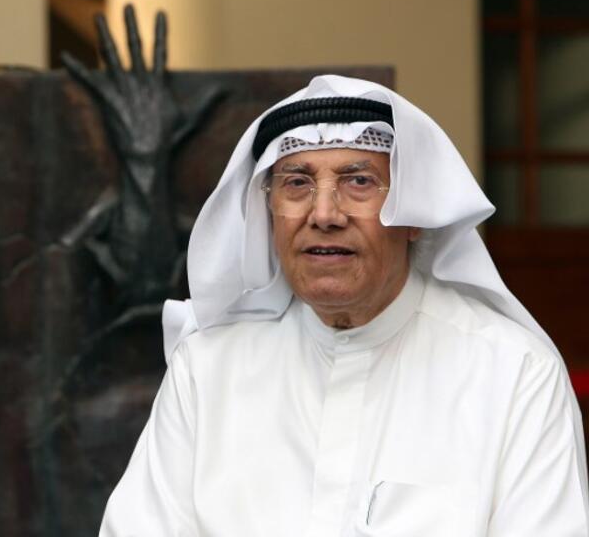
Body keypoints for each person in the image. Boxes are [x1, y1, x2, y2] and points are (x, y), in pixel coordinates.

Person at [98, 74, 589, 536]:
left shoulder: (515, 374)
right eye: (296, 183)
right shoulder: (206, 369)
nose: (325, 214)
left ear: (415, 213)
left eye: (359, 182)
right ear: (267, 211)